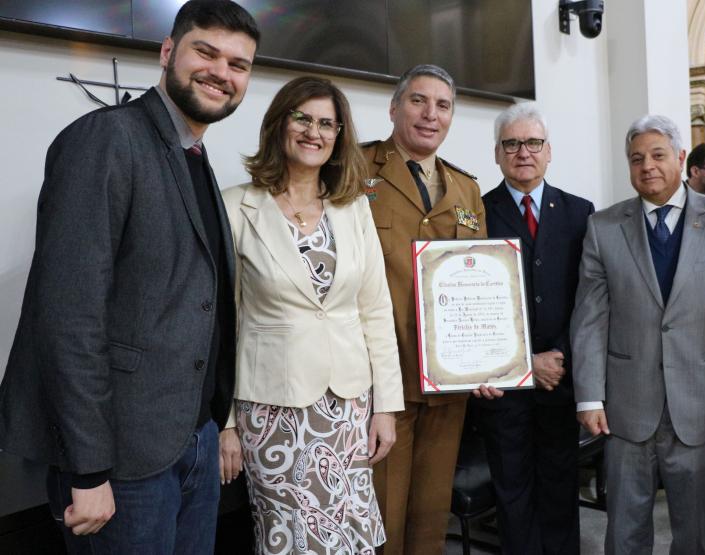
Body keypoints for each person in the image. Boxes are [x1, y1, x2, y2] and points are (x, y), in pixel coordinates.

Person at [0, 1, 259, 552]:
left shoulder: (194, 154)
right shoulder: (107, 139)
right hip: (121, 459)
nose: (221, 72)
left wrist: (213, 426)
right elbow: (67, 314)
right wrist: (88, 470)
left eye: (238, 64)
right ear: (168, 52)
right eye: (205, 52)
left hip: (192, 441)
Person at [219, 76, 403, 554]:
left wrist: (386, 406)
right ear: (279, 123)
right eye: (302, 118)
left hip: (348, 405)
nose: (314, 132)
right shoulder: (236, 206)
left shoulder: (354, 207)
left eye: (327, 123)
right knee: (289, 538)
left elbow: (375, 310)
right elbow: (222, 321)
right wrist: (225, 423)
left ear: (339, 135)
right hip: (271, 410)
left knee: (350, 531)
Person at [571, 114, 705, 554]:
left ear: (679, 158)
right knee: (624, 532)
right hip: (625, 406)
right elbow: (590, 319)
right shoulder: (603, 227)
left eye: (658, 155)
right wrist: (589, 397)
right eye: (636, 158)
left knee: (695, 533)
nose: (647, 166)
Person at [362, 64, 488, 554]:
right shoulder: (355, 169)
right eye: (418, 101)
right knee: (382, 522)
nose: (430, 114)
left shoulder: (466, 189)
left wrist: (487, 359)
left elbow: (480, 283)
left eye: (443, 105)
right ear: (394, 108)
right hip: (382, 381)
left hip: (448, 383)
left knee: (430, 522)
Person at [471, 103, 593, 555]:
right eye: (512, 144)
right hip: (504, 387)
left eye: (533, 143)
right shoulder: (476, 214)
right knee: (513, 492)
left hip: (561, 379)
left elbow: (588, 297)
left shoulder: (581, 212)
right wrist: (524, 364)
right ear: (498, 155)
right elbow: (473, 304)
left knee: (562, 488)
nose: (523, 152)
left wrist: (558, 354)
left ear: (548, 151)